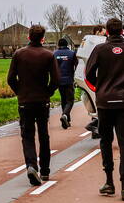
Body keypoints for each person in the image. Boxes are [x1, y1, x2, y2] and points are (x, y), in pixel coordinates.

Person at [84, 18, 124, 201]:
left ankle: (109, 182)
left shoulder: (99, 50)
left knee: (106, 141)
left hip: (104, 103)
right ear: (123, 32)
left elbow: (88, 73)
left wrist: (101, 86)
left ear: (107, 32)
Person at [7, 24, 59, 186]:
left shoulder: (19, 54)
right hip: (42, 101)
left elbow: (10, 79)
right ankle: (45, 170)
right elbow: (56, 80)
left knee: (27, 135)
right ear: (43, 38)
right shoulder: (48, 55)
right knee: (44, 135)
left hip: (25, 101)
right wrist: (48, 93)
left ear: (29, 37)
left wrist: (20, 93)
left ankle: (31, 165)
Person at [85, 25, 108, 137]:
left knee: (97, 101)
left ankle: (96, 125)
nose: (105, 36)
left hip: (96, 77)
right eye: (103, 33)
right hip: (97, 77)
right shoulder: (95, 44)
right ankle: (96, 125)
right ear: (97, 32)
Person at [53, 38, 78, 129]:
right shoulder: (72, 53)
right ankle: (65, 115)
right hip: (69, 80)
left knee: (63, 99)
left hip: (59, 81)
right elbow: (77, 65)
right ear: (67, 45)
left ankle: (67, 120)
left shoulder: (55, 54)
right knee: (70, 100)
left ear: (58, 45)